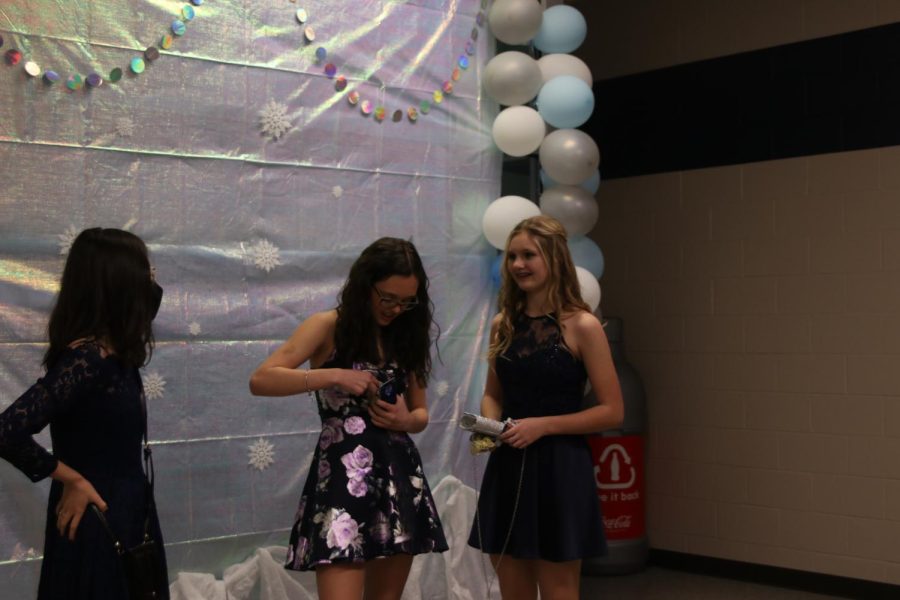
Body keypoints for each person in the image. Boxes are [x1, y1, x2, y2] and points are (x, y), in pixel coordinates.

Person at [249, 237, 447, 600]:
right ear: (364, 285)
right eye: (387, 298)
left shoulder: (406, 335)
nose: (395, 309)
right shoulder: (327, 326)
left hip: (398, 472)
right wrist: (334, 375)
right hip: (343, 477)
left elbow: (421, 415)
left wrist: (406, 420)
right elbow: (261, 379)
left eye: (406, 302)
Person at [0, 227, 168, 599]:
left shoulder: (118, 357)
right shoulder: (86, 359)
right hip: (96, 516)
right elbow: (6, 430)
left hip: (129, 509)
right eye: (145, 272)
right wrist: (71, 480)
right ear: (120, 283)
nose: (152, 282)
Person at [468, 215, 624, 600]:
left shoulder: (583, 326)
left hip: (560, 468)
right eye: (512, 256)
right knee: (512, 586)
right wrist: (490, 428)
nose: (518, 264)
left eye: (528, 255)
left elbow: (612, 411)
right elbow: (493, 394)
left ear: (554, 258)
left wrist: (543, 426)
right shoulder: (503, 324)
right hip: (508, 465)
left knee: (558, 588)